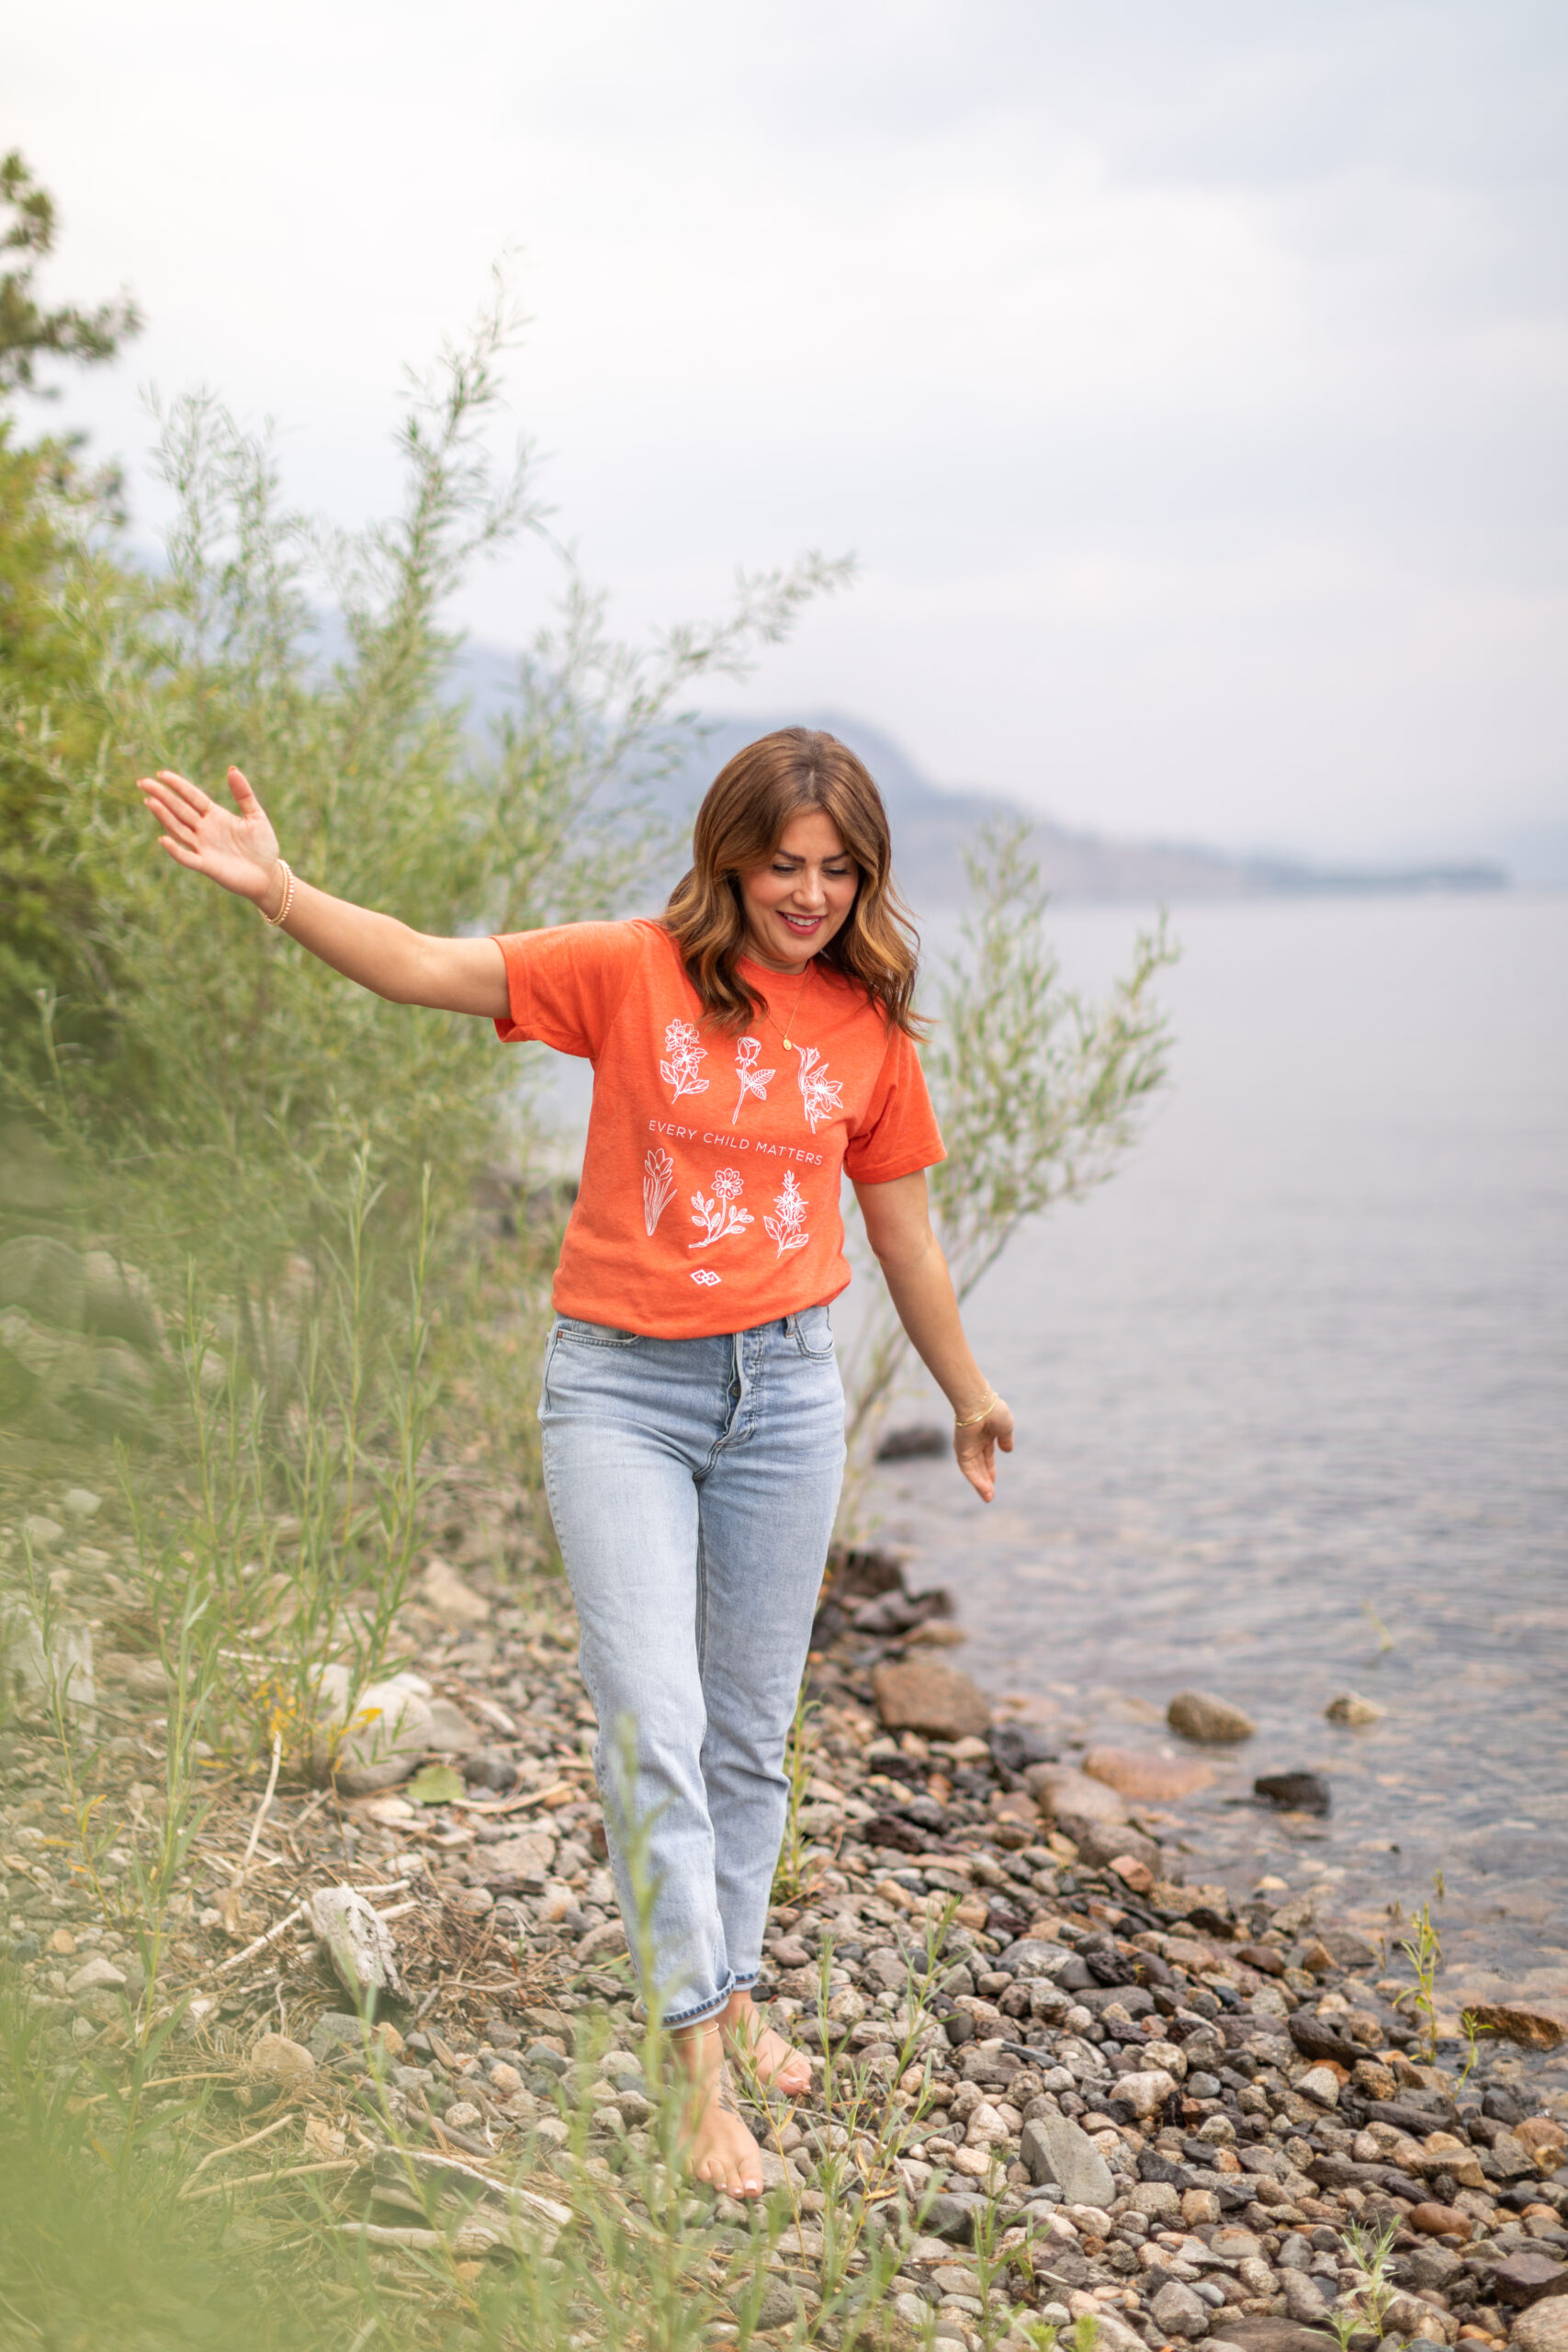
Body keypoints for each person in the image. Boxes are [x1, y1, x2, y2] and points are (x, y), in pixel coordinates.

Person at [136, 726, 1013, 2198]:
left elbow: (904, 1232)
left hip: (788, 1398)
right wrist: (278, 889)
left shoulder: (871, 1023)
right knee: (652, 1724)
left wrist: (970, 1394)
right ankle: (697, 2077)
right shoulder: (628, 969)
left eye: (837, 869)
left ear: (865, 877)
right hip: (620, 1394)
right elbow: (425, 964)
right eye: (784, 865)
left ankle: (730, 1984)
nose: (809, 894)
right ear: (728, 856)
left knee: (747, 1735)